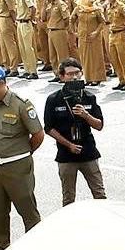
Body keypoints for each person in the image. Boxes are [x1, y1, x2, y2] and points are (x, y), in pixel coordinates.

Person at [0, 64, 44, 250]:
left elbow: (38, 134)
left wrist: (23, 154)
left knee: (27, 210)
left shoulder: (21, 104)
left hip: (17, 166)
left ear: (1, 83)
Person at [43, 58, 107, 206]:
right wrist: (68, 145)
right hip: (66, 154)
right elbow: (48, 128)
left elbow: (99, 125)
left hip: (88, 151)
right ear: (62, 76)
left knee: (100, 195)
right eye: (70, 74)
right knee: (68, 199)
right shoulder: (54, 99)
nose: (74, 77)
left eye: (77, 73)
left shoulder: (89, 97)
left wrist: (86, 115)